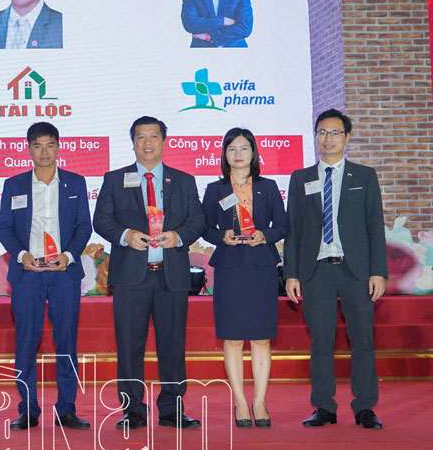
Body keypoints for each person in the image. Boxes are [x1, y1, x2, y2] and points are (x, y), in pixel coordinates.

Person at [93, 116, 205, 430]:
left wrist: (178, 236)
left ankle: (172, 409)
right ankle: (133, 411)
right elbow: (101, 220)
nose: (147, 143)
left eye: (153, 136)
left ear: (164, 141)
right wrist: (125, 235)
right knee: (129, 346)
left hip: (171, 275)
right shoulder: (115, 179)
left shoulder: (183, 180)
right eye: (140, 137)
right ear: (133, 143)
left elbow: (198, 220)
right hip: (131, 277)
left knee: (173, 345)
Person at [284, 109, 387, 430]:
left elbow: (375, 226)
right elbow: (293, 230)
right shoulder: (301, 178)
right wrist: (291, 274)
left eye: (335, 132)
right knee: (321, 342)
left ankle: (365, 406)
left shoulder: (364, 176)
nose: (328, 138)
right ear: (315, 137)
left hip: (356, 272)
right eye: (322, 132)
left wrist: (378, 271)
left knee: (363, 340)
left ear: (347, 137)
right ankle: (324, 406)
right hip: (316, 271)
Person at [0, 122, 91, 430]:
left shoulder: (75, 183)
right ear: (29, 149)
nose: (44, 151)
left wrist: (68, 256)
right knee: (26, 341)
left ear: (58, 147)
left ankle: (66, 409)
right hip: (28, 272)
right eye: (38, 145)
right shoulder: (14, 184)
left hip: (64, 272)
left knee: (67, 340)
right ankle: (28, 409)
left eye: (50, 145)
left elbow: (84, 227)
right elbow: (4, 228)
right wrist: (22, 256)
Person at [201, 128, 287, 428]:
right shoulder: (215, 189)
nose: (238, 154)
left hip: (261, 267)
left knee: (261, 337)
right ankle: (239, 401)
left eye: (244, 148)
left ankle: (259, 401)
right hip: (230, 268)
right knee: (234, 337)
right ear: (224, 154)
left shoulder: (269, 187)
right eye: (231, 149)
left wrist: (264, 235)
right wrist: (220, 236)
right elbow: (204, 227)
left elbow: (283, 225)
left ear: (254, 153)